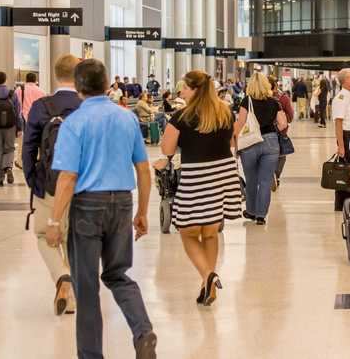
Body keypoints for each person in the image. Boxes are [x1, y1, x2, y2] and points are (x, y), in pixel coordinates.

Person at [45, 59, 157, 359]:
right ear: (107, 84)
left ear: (79, 88)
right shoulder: (127, 118)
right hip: (121, 202)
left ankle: (91, 355)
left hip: (87, 207)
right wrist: (142, 212)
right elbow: (144, 170)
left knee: (86, 284)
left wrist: (54, 221)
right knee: (118, 274)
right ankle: (143, 332)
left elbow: (68, 177)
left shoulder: (74, 123)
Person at [161, 70, 241, 305]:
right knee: (210, 231)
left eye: (185, 88)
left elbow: (167, 149)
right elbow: (231, 141)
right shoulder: (225, 112)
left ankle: (208, 275)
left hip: (197, 176)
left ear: (195, 90)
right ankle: (208, 282)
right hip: (222, 173)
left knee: (186, 230)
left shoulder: (181, 116)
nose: (181, 92)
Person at [22, 54, 81, 316]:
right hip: (82, 184)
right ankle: (72, 297)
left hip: (49, 182)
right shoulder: (87, 105)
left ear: (56, 75)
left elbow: (28, 147)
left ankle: (62, 278)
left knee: (45, 236)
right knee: (74, 239)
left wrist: (34, 180)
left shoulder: (42, 106)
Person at [234, 72, 287, 225]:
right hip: (271, 142)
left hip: (250, 142)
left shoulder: (247, 101)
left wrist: (235, 144)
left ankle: (250, 211)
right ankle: (261, 216)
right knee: (265, 181)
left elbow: (240, 124)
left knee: (251, 180)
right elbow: (283, 124)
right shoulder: (274, 102)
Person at [331, 68, 350, 211]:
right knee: (346, 172)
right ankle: (343, 203)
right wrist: (341, 146)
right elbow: (338, 123)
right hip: (347, 138)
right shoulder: (341, 98)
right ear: (345, 80)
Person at [0, 71, 23, 186]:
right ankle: (8, 167)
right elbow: (18, 112)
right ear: (5, 80)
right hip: (11, 125)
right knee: (9, 148)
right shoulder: (12, 93)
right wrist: (19, 128)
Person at [14, 72, 45, 169]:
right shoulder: (41, 91)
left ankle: (19, 161)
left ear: (26, 80)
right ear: (35, 80)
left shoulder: (19, 90)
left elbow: (15, 104)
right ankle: (38, 159)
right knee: (38, 139)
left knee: (22, 140)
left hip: (22, 117)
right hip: (36, 118)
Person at [269, 75, 293, 189]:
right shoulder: (283, 98)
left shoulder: (257, 97)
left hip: (263, 132)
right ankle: (276, 175)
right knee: (281, 155)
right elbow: (291, 116)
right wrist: (282, 119)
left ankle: (269, 175)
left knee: (267, 155)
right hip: (280, 131)